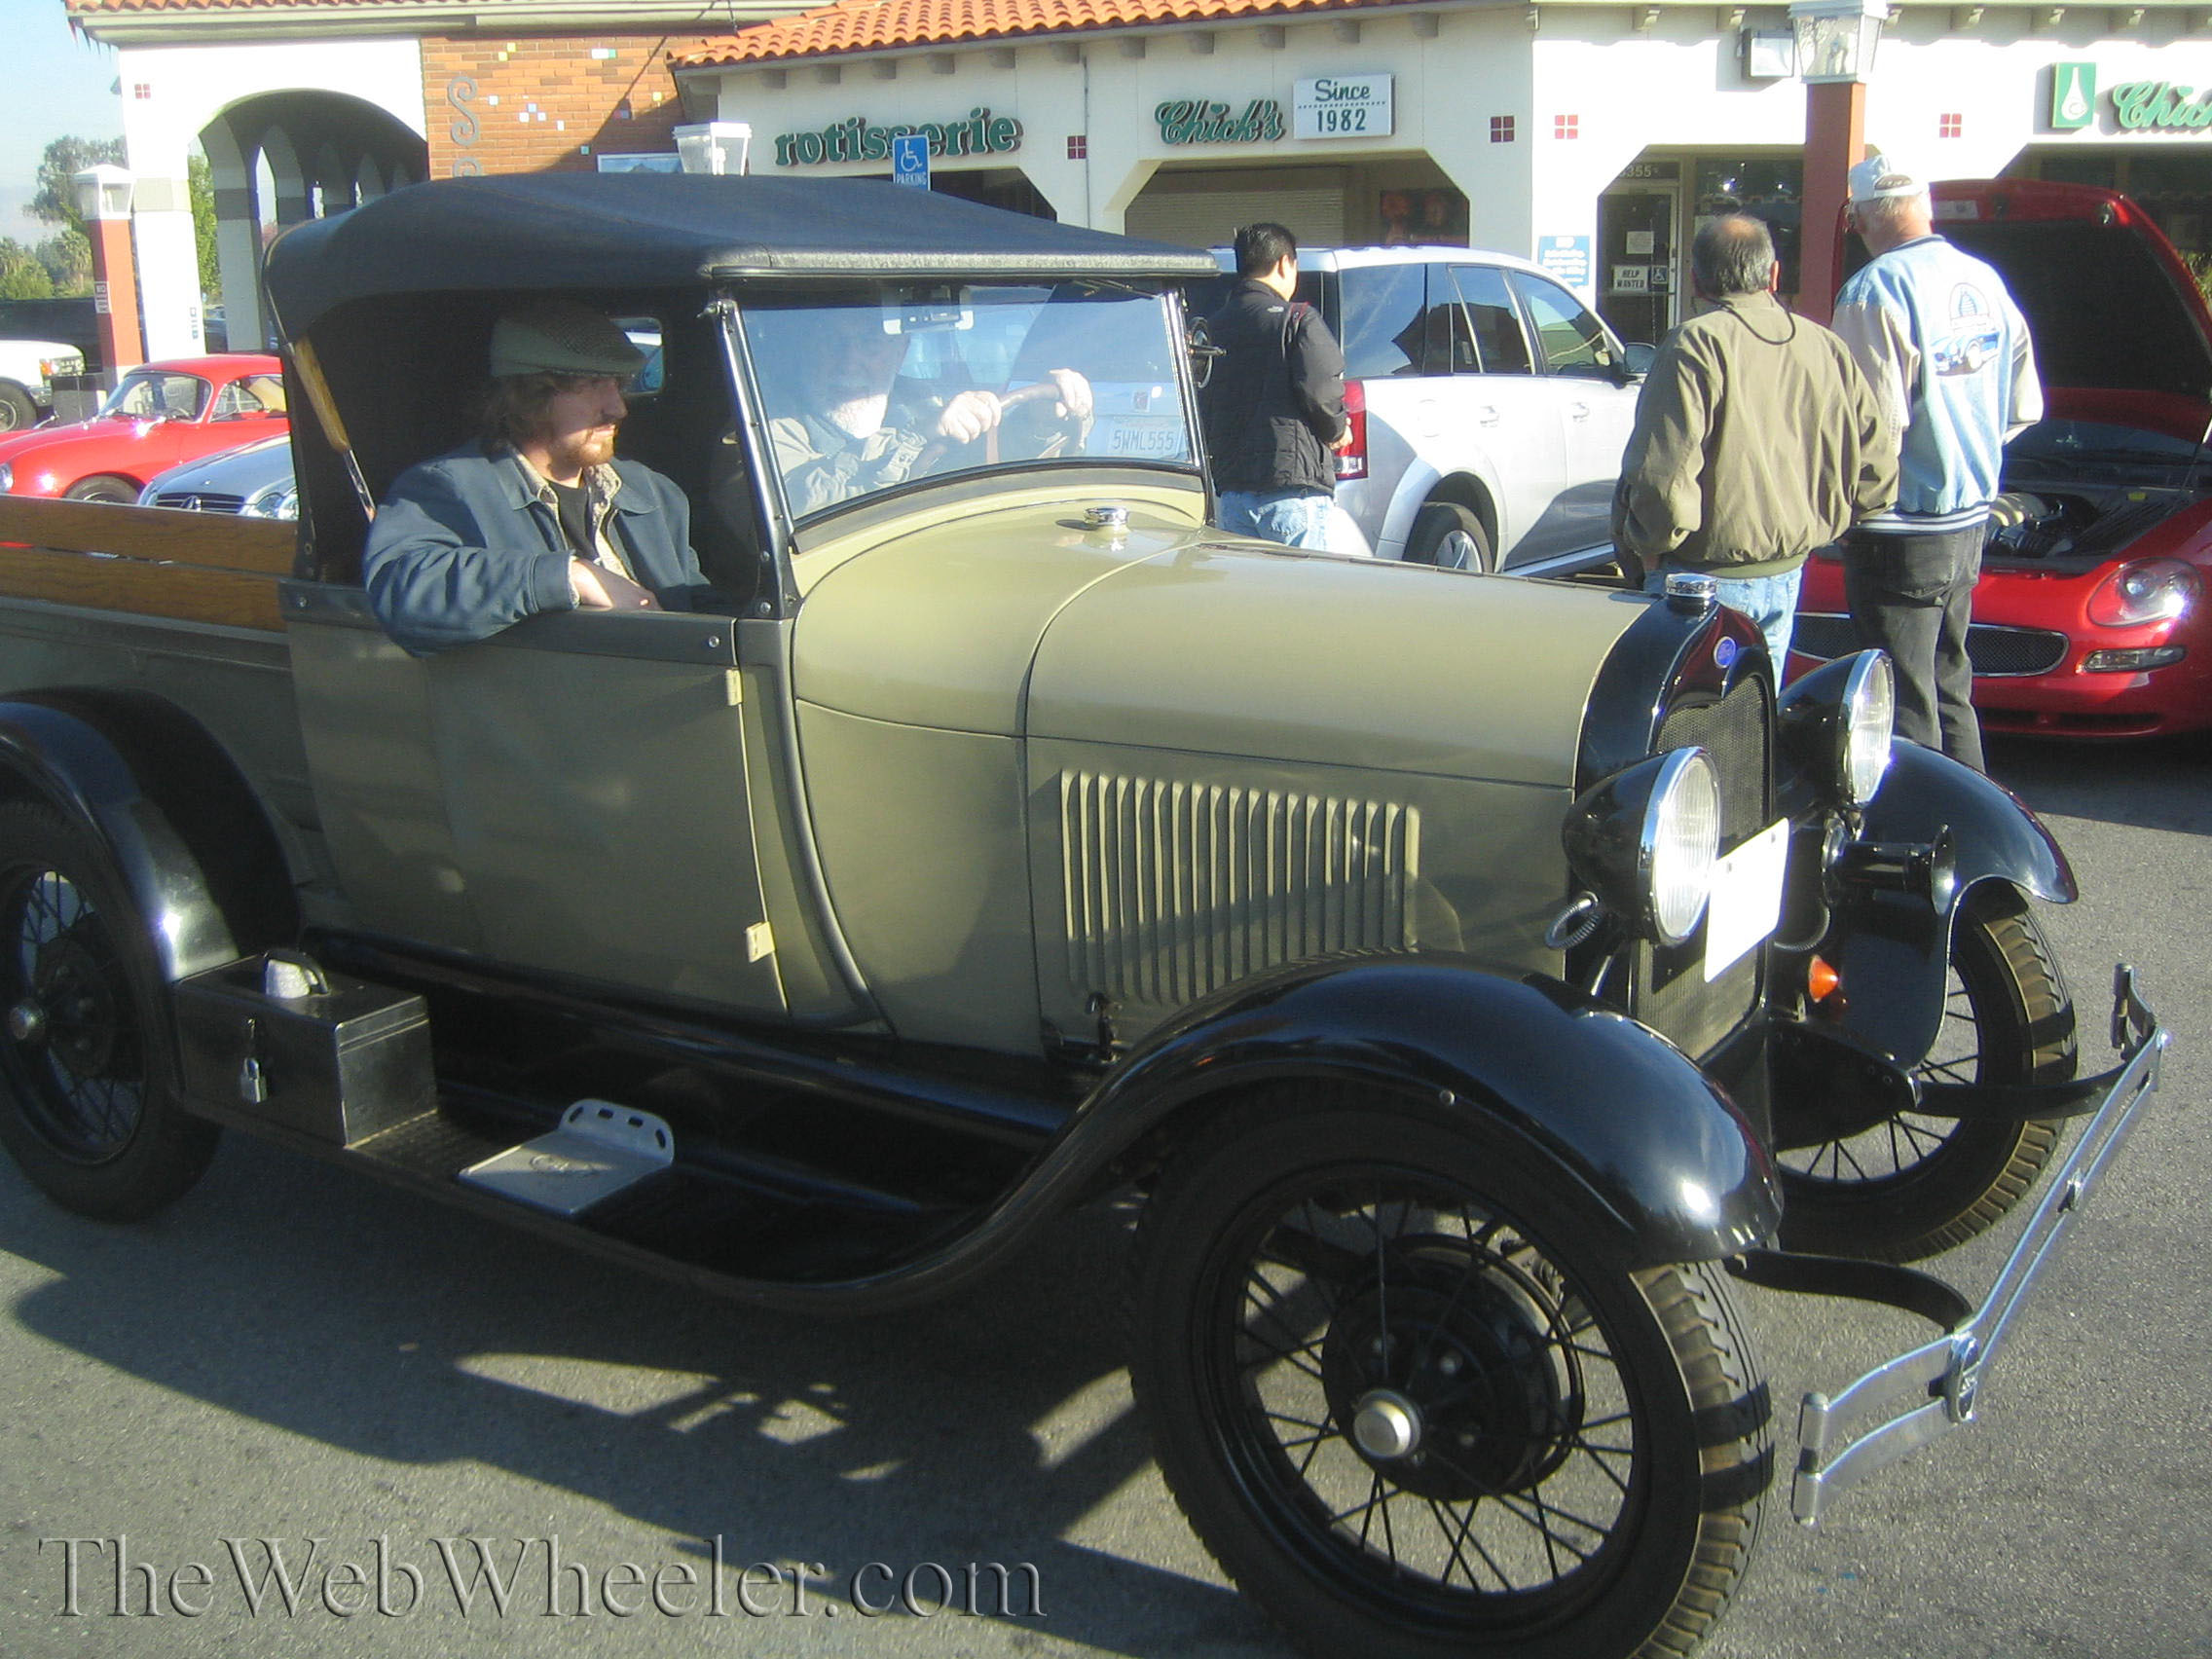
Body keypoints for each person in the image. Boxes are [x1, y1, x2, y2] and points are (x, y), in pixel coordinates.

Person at [1831, 154, 2042, 772]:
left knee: (1901, 699)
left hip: (1899, 526)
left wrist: (1846, 510)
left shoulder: (1873, 289)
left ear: (1860, 219)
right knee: (1951, 682)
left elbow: (1872, 426)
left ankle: (1917, 823)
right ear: (1925, 207)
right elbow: (2023, 405)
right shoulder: (1983, 278)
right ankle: (1972, 811)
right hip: (1969, 518)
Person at [1613, 213, 1896, 670]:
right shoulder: (1825, 346)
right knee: (1759, 706)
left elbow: (1662, 473)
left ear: (1695, 279)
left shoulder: (1695, 343)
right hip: (1789, 568)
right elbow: (1876, 465)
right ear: (1774, 274)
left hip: (1701, 577)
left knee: (1693, 711)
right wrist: (1847, 520)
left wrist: (1650, 549)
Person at [362, 299, 720, 656]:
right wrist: (568, 577)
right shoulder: (449, 487)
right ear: (530, 395)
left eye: (618, 383)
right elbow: (402, 592)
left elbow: (694, 604)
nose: (618, 408)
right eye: (593, 384)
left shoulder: (652, 492)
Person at [765, 305, 1093, 514]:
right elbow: (800, 500)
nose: (849, 362)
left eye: (870, 344)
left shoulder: (921, 400)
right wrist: (920, 435)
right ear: (808, 349)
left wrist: (1039, 424)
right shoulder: (769, 418)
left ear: (900, 352)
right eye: (832, 343)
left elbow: (984, 464)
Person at [1202, 223, 1353, 550]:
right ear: (1285, 263)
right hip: (1292, 490)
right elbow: (1321, 389)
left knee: (1249, 584)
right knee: (1302, 583)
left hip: (1232, 493)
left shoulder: (1211, 328)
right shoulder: (1296, 319)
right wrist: (1338, 428)